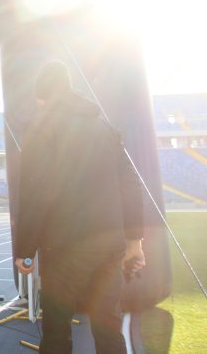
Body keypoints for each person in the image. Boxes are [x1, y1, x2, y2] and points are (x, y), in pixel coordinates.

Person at [14, 60, 145, 354]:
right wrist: (135, 241)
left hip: (63, 247)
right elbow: (131, 184)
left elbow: (35, 193)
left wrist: (25, 250)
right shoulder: (105, 127)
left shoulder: (42, 126)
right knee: (108, 326)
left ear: (43, 95)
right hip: (108, 245)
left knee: (57, 330)